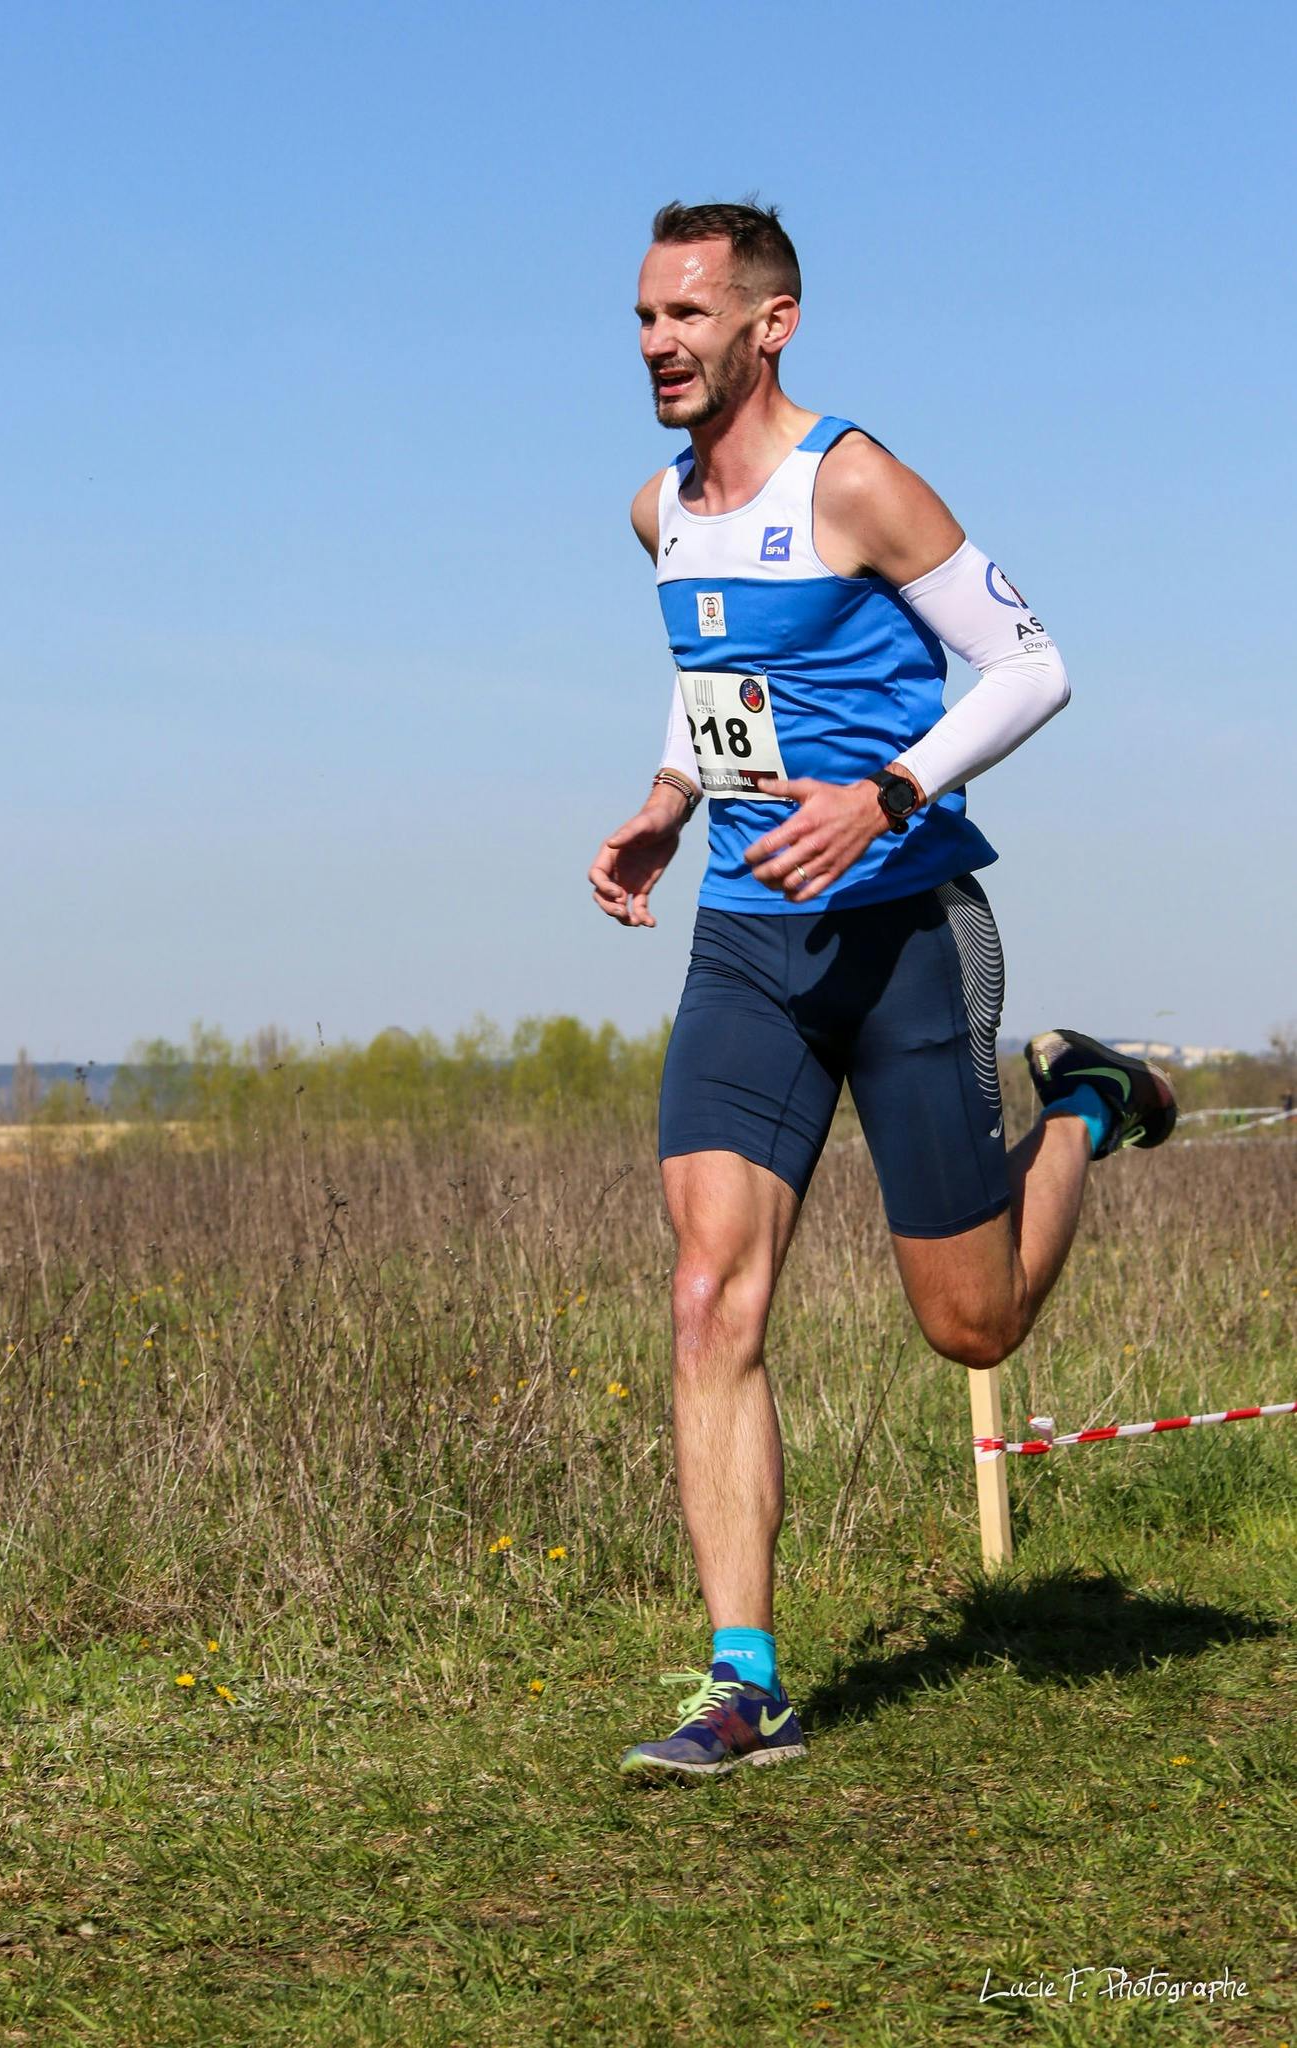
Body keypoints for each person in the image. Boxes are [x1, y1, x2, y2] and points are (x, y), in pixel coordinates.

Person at [588, 200, 1176, 1780]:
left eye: (687, 315)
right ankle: (743, 1680)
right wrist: (664, 799)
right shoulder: (659, 510)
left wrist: (888, 793)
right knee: (709, 1291)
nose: (656, 342)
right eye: (643, 315)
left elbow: (1031, 664)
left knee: (970, 1329)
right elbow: (717, 677)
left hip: (903, 927)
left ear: (767, 325)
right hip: (745, 945)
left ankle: (1079, 1105)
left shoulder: (849, 477)